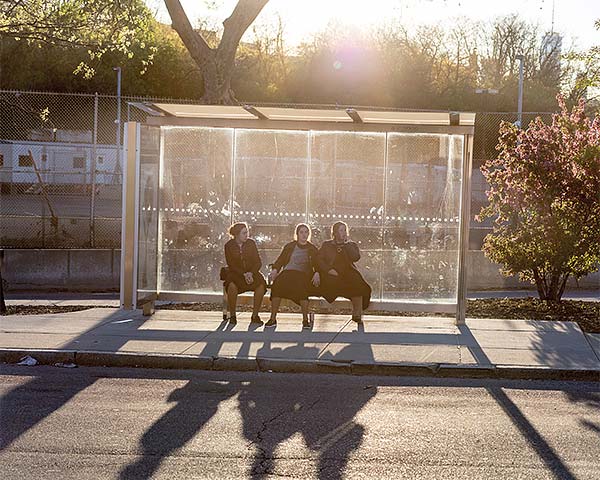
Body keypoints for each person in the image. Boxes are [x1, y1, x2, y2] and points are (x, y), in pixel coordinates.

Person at [265, 224, 320, 329]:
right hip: (288, 272)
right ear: (297, 234)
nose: (304, 235)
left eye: (306, 232)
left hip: (302, 274)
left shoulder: (312, 248)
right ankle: (272, 318)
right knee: (277, 284)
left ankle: (305, 320)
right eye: (301, 232)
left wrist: (317, 272)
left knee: (301, 287)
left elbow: (317, 264)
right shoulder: (290, 246)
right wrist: (275, 270)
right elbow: (280, 260)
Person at [318, 221, 371, 322]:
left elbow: (356, 257)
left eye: (345, 230)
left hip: (348, 272)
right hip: (333, 273)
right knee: (344, 284)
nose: (343, 233)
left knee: (359, 285)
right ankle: (357, 312)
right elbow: (319, 260)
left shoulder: (351, 244)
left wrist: (347, 245)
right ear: (335, 232)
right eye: (341, 230)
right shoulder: (327, 245)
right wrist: (328, 270)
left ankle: (357, 314)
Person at [223, 222, 266, 325]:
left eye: (247, 232)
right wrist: (244, 274)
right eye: (244, 233)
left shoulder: (251, 243)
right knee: (232, 286)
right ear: (237, 234)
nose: (247, 235)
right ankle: (233, 315)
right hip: (236, 274)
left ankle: (255, 315)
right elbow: (231, 264)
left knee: (260, 285)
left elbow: (258, 262)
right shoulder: (229, 245)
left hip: (252, 273)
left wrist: (250, 273)